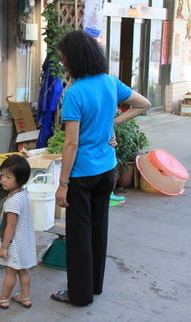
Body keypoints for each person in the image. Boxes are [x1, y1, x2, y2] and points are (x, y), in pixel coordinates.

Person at [51, 31, 151, 306]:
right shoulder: (110, 83)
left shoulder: (74, 94)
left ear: (74, 60)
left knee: (79, 236)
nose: (63, 63)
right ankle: (94, 286)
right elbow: (144, 104)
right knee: (98, 229)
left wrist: (63, 184)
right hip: (107, 171)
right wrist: (112, 124)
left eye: (64, 59)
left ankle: (79, 295)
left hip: (82, 176)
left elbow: (71, 144)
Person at [0, 155, 37, 309]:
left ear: (20, 179)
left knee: (10, 272)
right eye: (2, 175)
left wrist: (4, 247)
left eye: (8, 177)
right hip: (25, 241)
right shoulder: (22, 194)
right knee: (23, 270)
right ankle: (25, 297)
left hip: (14, 243)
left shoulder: (12, 201)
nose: (3, 180)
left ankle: (3, 299)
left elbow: (11, 226)